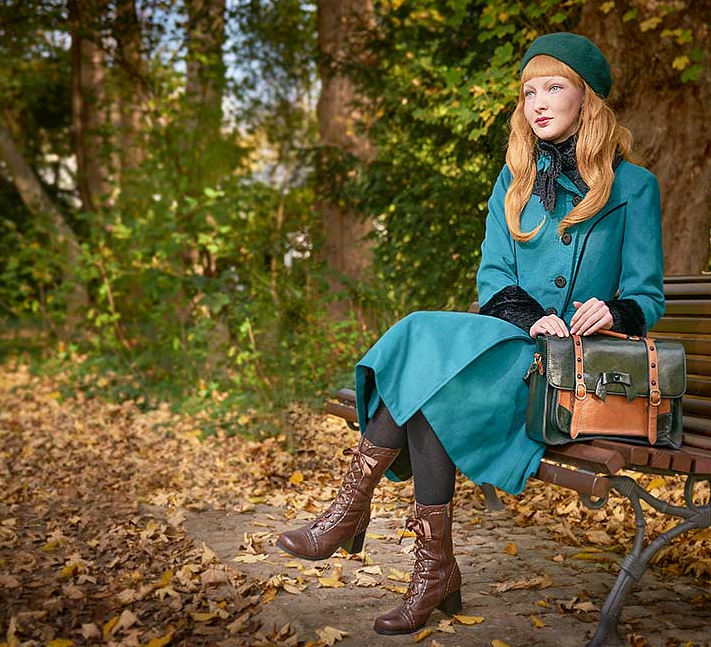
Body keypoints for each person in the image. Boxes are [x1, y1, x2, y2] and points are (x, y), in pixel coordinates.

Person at [276, 32, 665, 636]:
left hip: (572, 373)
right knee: (428, 364)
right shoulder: (512, 183)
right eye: (528, 91)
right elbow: (494, 278)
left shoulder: (634, 187)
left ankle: (353, 518)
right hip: (514, 345)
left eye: (554, 87)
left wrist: (613, 310)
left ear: (586, 100)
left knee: (425, 368)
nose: (538, 102)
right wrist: (528, 314)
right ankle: (426, 567)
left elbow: (648, 295)